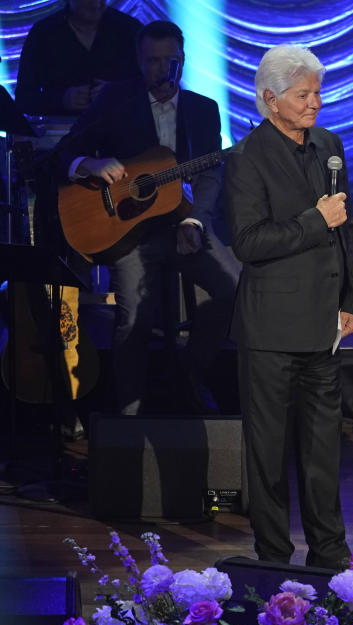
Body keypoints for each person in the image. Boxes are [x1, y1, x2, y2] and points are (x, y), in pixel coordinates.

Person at [224, 45, 353, 568]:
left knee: (323, 450)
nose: (315, 103)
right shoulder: (245, 158)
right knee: (267, 452)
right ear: (270, 99)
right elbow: (248, 242)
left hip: (324, 324)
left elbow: (348, 226)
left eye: (317, 93)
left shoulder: (329, 145)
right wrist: (314, 219)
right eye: (303, 95)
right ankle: (273, 556)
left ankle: (330, 554)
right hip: (269, 331)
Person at [55, 20, 239, 415]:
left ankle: (189, 371)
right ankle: (128, 417)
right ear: (140, 62)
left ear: (182, 60)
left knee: (232, 288)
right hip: (129, 230)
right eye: (152, 61)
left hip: (185, 222)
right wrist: (91, 163)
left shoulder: (203, 110)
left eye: (169, 60)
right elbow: (64, 153)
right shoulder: (116, 102)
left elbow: (209, 174)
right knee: (133, 320)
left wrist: (194, 222)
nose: (161, 69)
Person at [16, 0, 142, 116]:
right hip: (62, 135)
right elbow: (24, 99)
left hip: (122, 131)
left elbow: (152, 86)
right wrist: (62, 100)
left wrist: (118, 93)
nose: (96, 4)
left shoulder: (129, 29)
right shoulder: (43, 33)